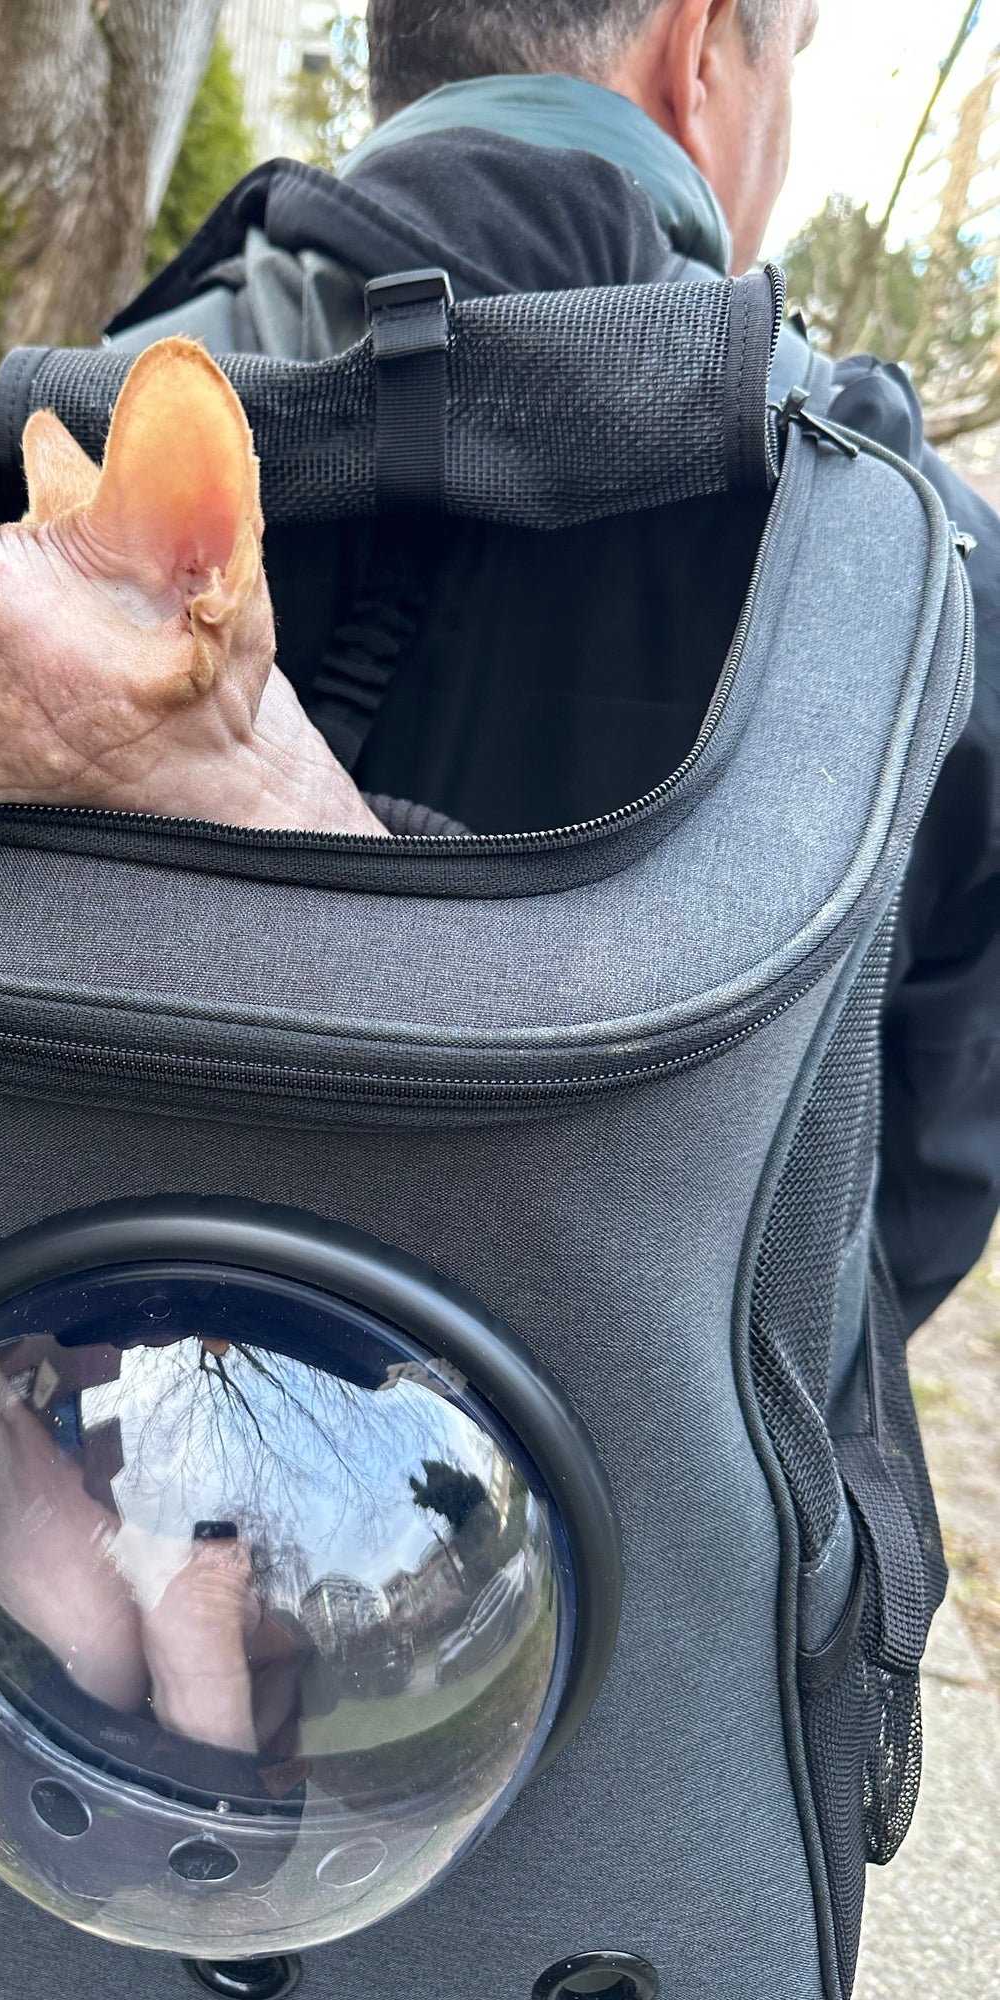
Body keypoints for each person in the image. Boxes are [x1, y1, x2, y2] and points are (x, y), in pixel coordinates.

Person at [108, 0, 1000, 1341]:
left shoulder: (57, 450)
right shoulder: (915, 562)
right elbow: (926, 1166)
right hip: (633, 1513)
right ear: (699, 50)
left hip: (31, 1475)